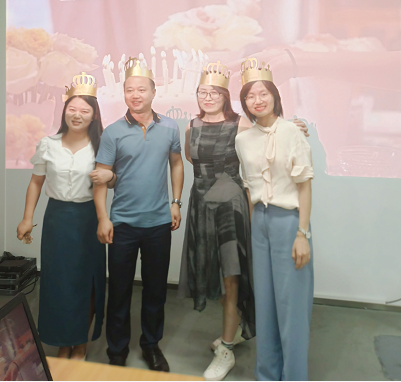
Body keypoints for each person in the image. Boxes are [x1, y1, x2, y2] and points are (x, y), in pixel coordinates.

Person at [178, 61, 309, 381]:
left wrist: (296, 126)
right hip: (201, 205)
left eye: (215, 92)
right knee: (211, 272)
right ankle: (234, 331)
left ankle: (226, 347)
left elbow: (268, 134)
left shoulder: (240, 125)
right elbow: (191, 159)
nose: (208, 97)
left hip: (231, 207)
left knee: (232, 276)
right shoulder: (191, 126)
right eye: (202, 92)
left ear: (226, 95)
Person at [93, 57, 184, 372]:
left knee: (156, 291)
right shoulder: (113, 132)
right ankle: (117, 349)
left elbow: (176, 163)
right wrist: (103, 218)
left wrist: (176, 202)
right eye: (129, 89)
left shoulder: (170, 127)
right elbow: (102, 177)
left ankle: (151, 346)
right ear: (124, 93)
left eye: (141, 89)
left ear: (154, 92)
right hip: (123, 224)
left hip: (158, 223)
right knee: (119, 290)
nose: (135, 95)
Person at [16, 72, 113, 360]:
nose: (77, 115)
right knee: (58, 282)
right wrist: (27, 218)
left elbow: (105, 182)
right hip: (57, 219)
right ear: (64, 111)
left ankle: (80, 342)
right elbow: (36, 182)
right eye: (72, 108)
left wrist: (104, 214)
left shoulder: (101, 146)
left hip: (88, 219)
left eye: (84, 110)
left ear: (94, 115)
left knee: (87, 281)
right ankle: (63, 341)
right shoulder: (48, 143)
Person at [235, 58, 314, 381]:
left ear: (274, 96)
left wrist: (302, 234)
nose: (257, 100)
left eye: (263, 93)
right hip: (260, 223)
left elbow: (304, 185)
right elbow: (249, 188)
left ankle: (294, 376)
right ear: (244, 103)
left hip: (289, 223)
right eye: (250, 96)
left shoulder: (293, 132)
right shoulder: (243, 140)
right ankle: (267, 374)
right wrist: (255, 228)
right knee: (265, 304)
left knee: (292, 307)